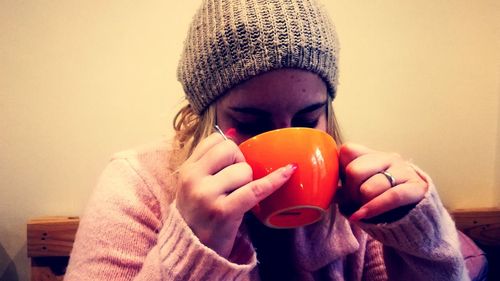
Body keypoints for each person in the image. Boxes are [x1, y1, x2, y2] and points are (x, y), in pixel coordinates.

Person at [65, 0, 486, 280]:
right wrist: (191, 250)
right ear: (204, 116)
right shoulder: (137, 185)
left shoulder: (355, 200)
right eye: (249, 121)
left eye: (307, 118)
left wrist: (421, 240)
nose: (284, 144)